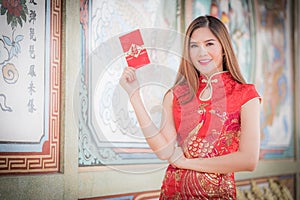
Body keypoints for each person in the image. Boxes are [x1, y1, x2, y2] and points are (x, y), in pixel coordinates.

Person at [119, 15, 261, 199]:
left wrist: (186, 162)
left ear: (224, 48)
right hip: (174, 191)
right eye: (194, 46)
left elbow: (248, 160)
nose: (201, 52)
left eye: (209, 44)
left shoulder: (245, 94)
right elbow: (164, 151)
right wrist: (134, 95)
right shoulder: (176, 95)